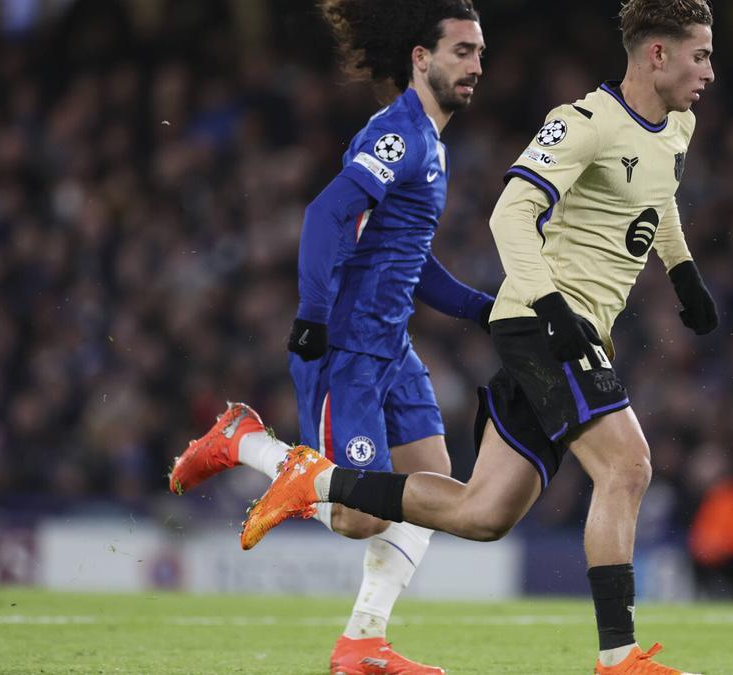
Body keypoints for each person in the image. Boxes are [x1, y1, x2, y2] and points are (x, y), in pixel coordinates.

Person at [241, 0, 718, 671]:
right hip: (543, 324)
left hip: (551, 327)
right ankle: (620, 657)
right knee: (628, 464)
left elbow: (658, 194)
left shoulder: (676, 126)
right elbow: (506, 213)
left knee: (481, 512)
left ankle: (321, 484)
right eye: (700, 55)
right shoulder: (579, 123)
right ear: (658, 54)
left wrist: (683, 269)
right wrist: (546, 307)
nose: (711, 72)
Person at [167, 2, 491, 673]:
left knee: (431, 487)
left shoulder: (432, 145)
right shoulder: (399, 134)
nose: (476, 65)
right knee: (359, 515)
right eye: (462, 51)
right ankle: (245, 441)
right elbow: (328, 211)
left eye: (480, 53)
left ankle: (363, 641)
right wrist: (313, 311)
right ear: (420, 58)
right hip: (346, 346)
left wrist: (486, 310)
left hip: (390, 346)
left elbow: (411, 260)